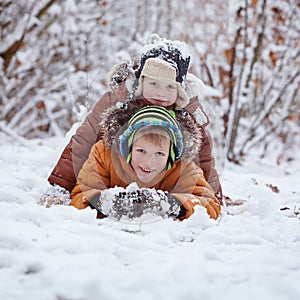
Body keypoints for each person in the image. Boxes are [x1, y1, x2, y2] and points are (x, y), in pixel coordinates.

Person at [39, 33, 222, 208]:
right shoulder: (117, 102)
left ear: (180, 90)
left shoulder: (187, 114)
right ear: (141, 82)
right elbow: (83, 141)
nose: (160, 93)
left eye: (169, 87)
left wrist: (213, 196)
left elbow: (203, 158)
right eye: (153, 84)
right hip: (116, 180)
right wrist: (60, 186)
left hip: (163, 188)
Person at [70, 105, 221, 221]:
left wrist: (172, 205)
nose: (148, 163)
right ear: (129, 147)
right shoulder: (104, 154)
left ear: (171, 154)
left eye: (159, 154)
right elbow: (81, 195)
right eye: (141, 151)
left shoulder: (184, 166)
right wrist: (108, 203)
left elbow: (209, 204)